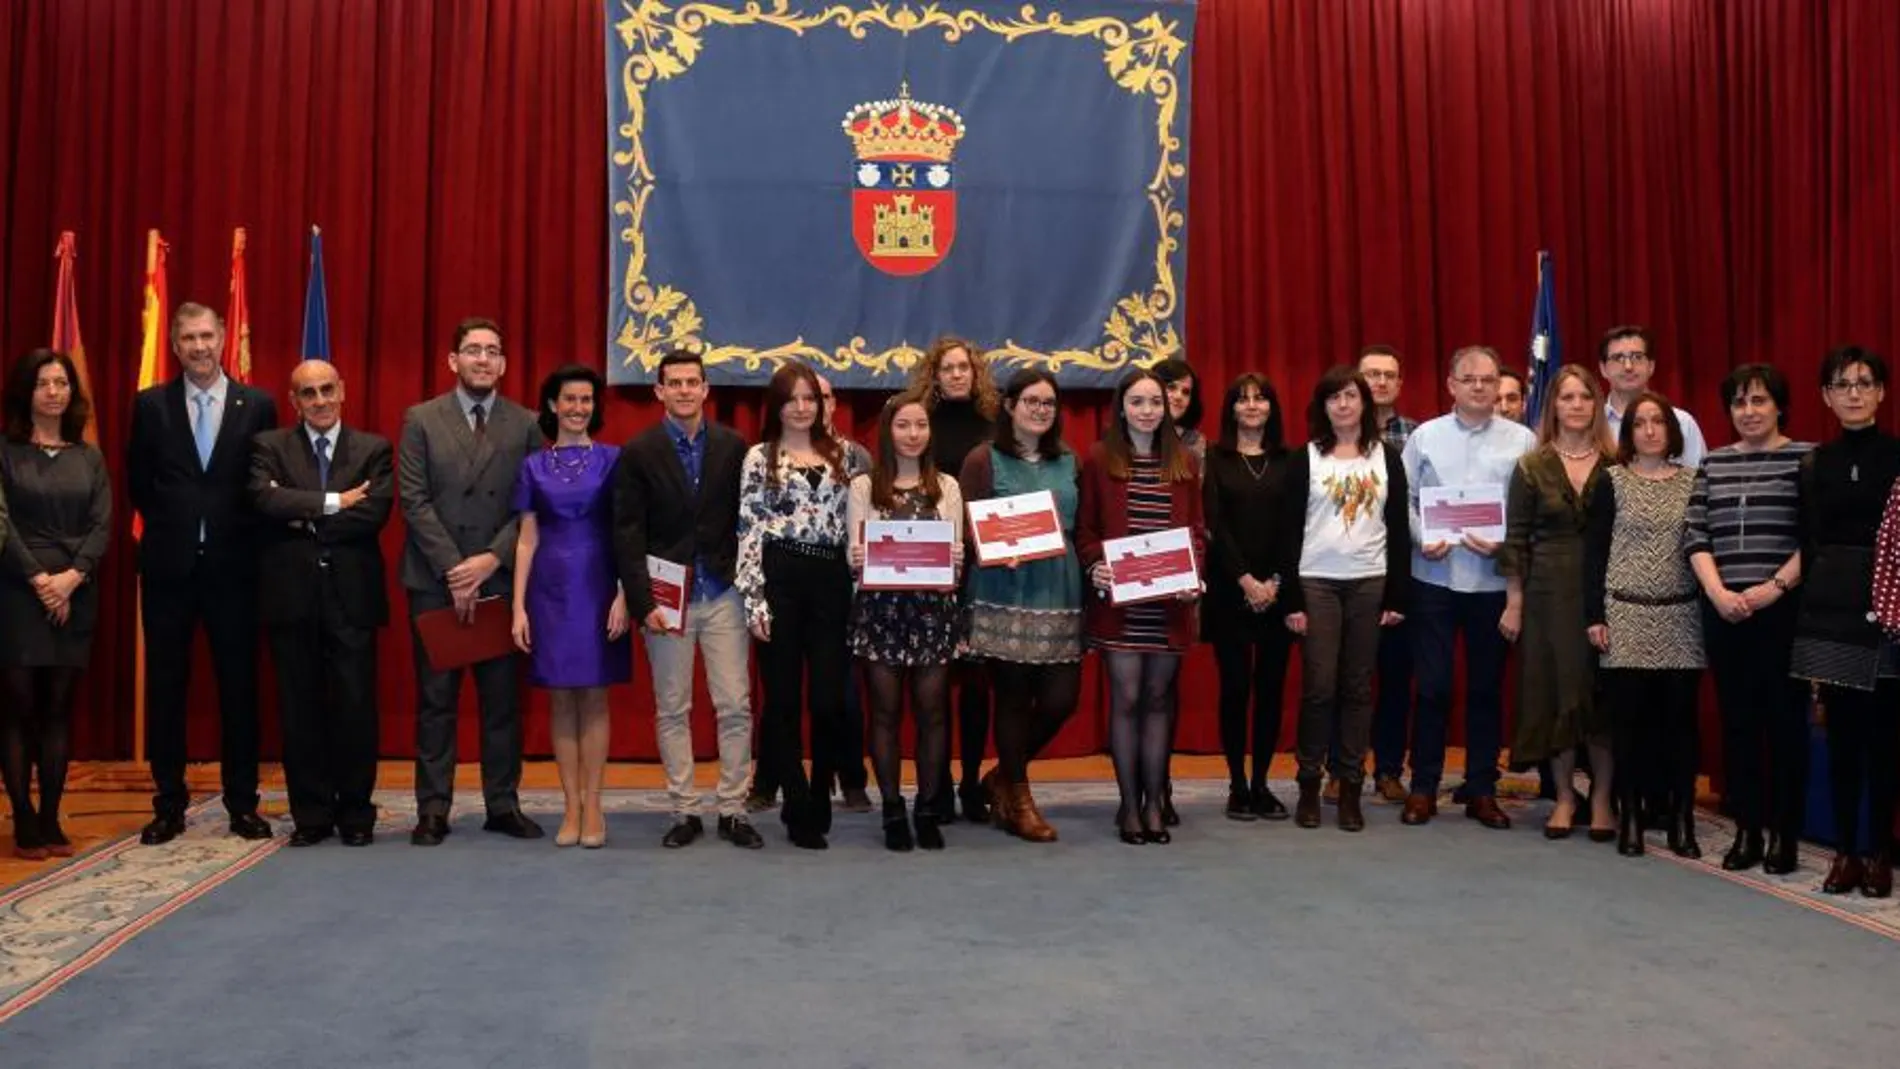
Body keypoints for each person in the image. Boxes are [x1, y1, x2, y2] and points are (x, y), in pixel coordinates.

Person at [127, 303, 279, 844]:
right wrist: (178, 527)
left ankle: (243, 803)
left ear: (222, 339)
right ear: (174, 344)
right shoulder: (150, 406)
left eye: (207, 336)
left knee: (239, 689)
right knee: (167, 688)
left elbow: (266, 483)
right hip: (169, 569)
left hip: (235, 569)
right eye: (188, 337)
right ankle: (168, 804)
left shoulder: (258, 405)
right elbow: (139, 483)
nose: (199, 346)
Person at [398, 317, 545, 846]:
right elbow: (412, 500)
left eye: (492, 351)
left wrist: (488, 560)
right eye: (472, 350)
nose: (482, 359)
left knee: (501, 702)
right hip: (436, 581)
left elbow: (531, 504)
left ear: (503, 363)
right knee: (436, 701)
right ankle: (432, 807)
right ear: (453, 361)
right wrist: (455, 569)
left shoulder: (526, 423)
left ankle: (502, 804)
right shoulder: (420, 419)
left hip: (501, 579)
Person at [614, 349, 762, 850]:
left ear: (705, 389)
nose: (682, 390)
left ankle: (734, 809)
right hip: (665, 600)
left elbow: (750, 522)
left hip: (723, 593)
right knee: (673, 708)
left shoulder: (734, 447)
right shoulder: (638, 452)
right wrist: (640, 602)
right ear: (659, 391)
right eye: (672, 383)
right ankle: (683, 809)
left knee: (735, 705)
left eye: (691, 382)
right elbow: (628, 534)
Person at [249, 360, 394, 848]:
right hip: (292, 598)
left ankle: (356, 812)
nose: (319, 401)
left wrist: (301, 512)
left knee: (355, 707)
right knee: (299, 708)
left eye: (327, 390)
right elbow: (263, 502)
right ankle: (310, 814)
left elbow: (373, 513)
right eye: (308, 393)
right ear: (294, 401)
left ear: (343, 390)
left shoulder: (374, 449)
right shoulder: (269, 447)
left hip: (352, 598)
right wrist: (334, 502)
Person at [1397, 346, 1535, 828]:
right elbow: (1404, 500)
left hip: (1494, 584)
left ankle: (1481, 789)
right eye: (1469, 379)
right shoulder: (1424, 437)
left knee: (1485, 690)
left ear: (1500, 386)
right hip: (1432, 579)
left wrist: (1503, 544)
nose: (1479, 386)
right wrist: (1421, 535)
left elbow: (1528, 513)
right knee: (1432, 687)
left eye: (1488, 379)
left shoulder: (1523, 440)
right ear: (1450, 385)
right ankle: (1423, 787)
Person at [1684, 364, 1809, 875]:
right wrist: (1717, 592)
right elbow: (1695, 534)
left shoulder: (1805, 459)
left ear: (1779, 406)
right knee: (1737, 725)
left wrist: (1772, 588)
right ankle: (1747, 830)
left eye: (1759, 401)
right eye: (1739, 403)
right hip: (1724, 613)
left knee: (1784, 727)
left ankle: (1784, 835)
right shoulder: (1712, 464)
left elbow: (1814, 539)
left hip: (1781, 612)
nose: (1749, 412)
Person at [1278, 365, 1409, 831]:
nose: (1344, 404)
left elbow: (1397, 528)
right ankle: (1310, 783)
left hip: (1369, 582)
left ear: (1365, 402)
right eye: (1334, 397)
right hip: (1316, 582)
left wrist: (1397, 594)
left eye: (1351, 396)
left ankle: (1350, 783)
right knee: (1319, 687)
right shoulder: (1306, 458)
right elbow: (1289, 530)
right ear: (1323, 407)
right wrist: (1292, 600)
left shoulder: (1387, 458)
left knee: (1357, 688)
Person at [1079, 370, 1205, 845]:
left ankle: (1156, 803)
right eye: (1138, 402)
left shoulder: (1186, 461)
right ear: (1122, 406)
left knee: (1157, 701)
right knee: (1127, 700)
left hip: (1169, 605)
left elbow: (1195, 530)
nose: (1149, 410)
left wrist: (1193, 577)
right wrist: (1095, 566)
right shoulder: (1098, 458)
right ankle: (1129, 805)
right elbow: (1087, 532)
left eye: (1156, 401)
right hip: (1120, 607)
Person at [1792, 347, 1899, 897]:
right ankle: (1845, 853)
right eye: (1842, 384)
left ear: (1881, 391)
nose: (1853, 393)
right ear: (1826, 397)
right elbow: (1807, 543)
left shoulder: (1899, 457)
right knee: (1842, 740)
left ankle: (1880, 852)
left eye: (1864, 382)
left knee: (1884, 740)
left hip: (1888, 615)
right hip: (1829, 611)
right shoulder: (1814, 464)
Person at [960, 370, 1085, 843]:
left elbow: (1082, 520)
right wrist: (992, 546)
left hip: (1060, 588)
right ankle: (1020, 799)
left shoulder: (1069, 459)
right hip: (1002, 587)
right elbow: (969, 525)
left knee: (1060, 700)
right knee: (1011, 698)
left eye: (1048, 403)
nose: (1039, 409)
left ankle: (1001, 778)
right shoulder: (983, 459)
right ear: (1009, 405)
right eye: (1030, 401)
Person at [510, 365, 630, 849]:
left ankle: (596, 805)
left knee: (595, 696)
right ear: (553, 406)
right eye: (569, 399)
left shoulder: (613, 460)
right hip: (550, 590)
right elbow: (525, 539)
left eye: (586, 400)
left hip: (600, 585)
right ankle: (571, 807)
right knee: (560, 697)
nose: (578, 408)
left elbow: (626, 530)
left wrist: (624, 593)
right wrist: (518, 606)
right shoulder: (533, 466)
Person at [1584, 392, 1704, 859]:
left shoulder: (1695, 481)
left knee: (1679, 726)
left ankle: (1681, 819)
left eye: (1658, 422)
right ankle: (1630, 817)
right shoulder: (1611, 481)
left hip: (1682, 615)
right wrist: (1594, 615)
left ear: (1671, 431)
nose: (1650, 430)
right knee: (1627, 726)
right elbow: (1594, 554)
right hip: (1625, 615)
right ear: (1628, 433)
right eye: (1640, 423)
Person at [738, 363, 854, 850]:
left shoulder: (844, 455)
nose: (803, 407)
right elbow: (748, 529)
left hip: (831, 579)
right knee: (782, 701)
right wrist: (755, 600)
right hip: (779, 575)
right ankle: (797, 799)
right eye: (793, 399)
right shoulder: (758, 457)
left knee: (828, 700)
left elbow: (856, 524)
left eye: (812, 398)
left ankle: (824, 791)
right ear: (777, 405)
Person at [0, 350, 109, 859]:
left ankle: (50, 820)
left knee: (58, 710)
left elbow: (102, 522)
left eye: (61, 382)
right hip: (18, 590)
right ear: (28, 392)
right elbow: (3, 525)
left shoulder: (87, 455)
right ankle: (22, 818)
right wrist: (41, 580)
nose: (53, 391)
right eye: (43, 382)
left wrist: (71, 579)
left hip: (76, 588)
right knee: (21, 710)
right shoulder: (6, 451)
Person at [846, 389, 963, 851]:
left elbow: (956, 557)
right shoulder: (863, 486)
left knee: (933, 712)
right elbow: (853, 558)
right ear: (887, 430)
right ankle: (893, 808)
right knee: (886, 713)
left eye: (921, 425)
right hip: (881, 612)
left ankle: (929, 807)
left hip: (933, 612)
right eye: (903, 425)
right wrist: (857, 557)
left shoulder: (948, 486)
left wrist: (956, 557)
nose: (913, 434)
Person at [1501, 365, 1615, 839]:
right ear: (1553, 406)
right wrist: (1514, 602)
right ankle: (1566, 797)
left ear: (1596, 405)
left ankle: (1604, 799)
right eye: (1566, 397)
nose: (1575, 405)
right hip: (1547, 594)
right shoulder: (1532, 465)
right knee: (1557, 696)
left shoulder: (1618, 463)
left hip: (1606, 593)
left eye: (1584, 397)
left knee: (1602, 698)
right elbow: (1516, 540)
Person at [907, 335, 998, 823]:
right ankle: (935, 783)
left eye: (964, 367)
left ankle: (970, 781)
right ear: (934, 376)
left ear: (976, 372)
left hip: (985, 565)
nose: (957, 375)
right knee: (934, 683)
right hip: (934, 565)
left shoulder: (996, 424)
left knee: (978, 685)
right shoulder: (922, 426)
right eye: (948, 369)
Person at [1203, 373, 1292, 821]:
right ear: (1231, 409)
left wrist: (1274, 582)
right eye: (1243, 400)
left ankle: (1262, 783)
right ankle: (1237, 784)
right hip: (1229, 593)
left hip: (1278, 594)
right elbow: (1214, 528)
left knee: (1272, 690)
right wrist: (1246, 581)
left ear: (1273, 408)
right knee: (1235, 689)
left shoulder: (1289, 461)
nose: (1253, 406)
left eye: (1261, 399)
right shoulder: (1214, 459)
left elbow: (1294, 528)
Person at [1354, 345, 1417, 805]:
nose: (1379, 382)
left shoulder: (1419, 438)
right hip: (1346, 572)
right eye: (1371, 374)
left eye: (1388, 375)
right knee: (1347, 677)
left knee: (1396, 676)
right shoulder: (1333, 438)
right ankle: (1346, 767)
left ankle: (1390, 769)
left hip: (1403, 571)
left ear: (1399, 384)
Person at [1600, 325, 1707, 468]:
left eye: (1637, 357)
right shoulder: (1592, 424)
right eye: (1618, 358)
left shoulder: (1682, 422)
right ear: (1603, 369)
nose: (1628, 366)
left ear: (1651, 366)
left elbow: (1698, 482)